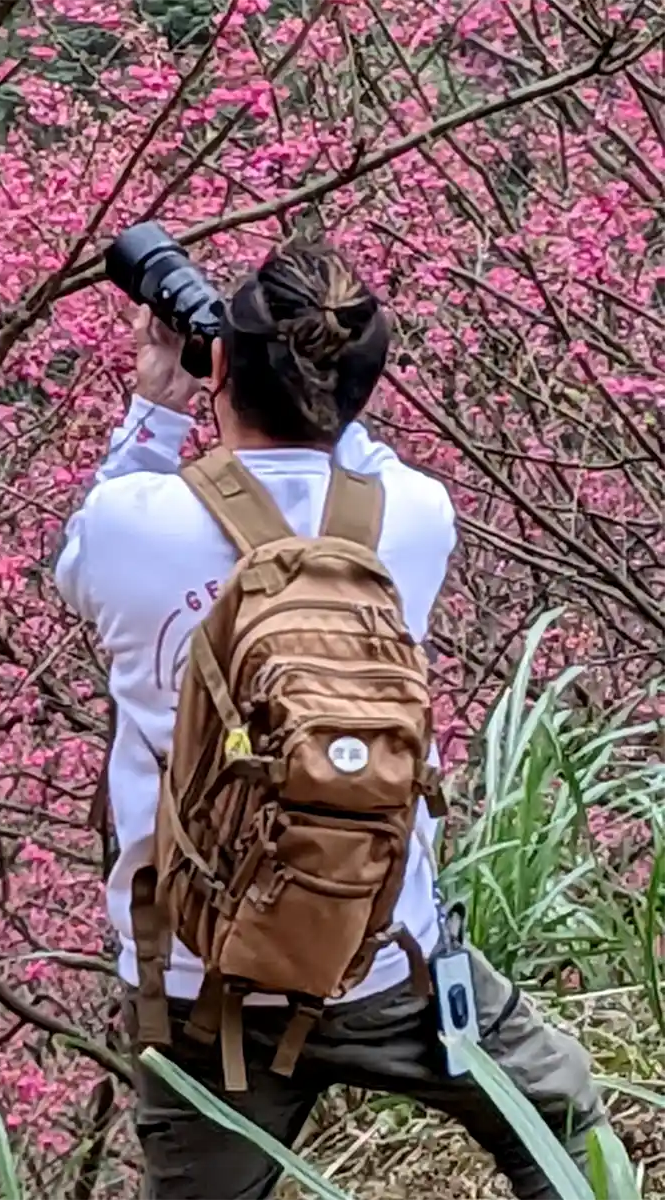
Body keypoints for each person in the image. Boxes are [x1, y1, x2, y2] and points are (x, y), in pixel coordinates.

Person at [54, 237, 609, 1199]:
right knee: (562, 1120)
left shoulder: (125, 523)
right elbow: (355, 453)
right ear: (357, 384)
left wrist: (157, 404)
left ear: (219, 361)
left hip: (205, 986)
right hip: (389, 954)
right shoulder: (418, 514)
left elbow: (84, 560)